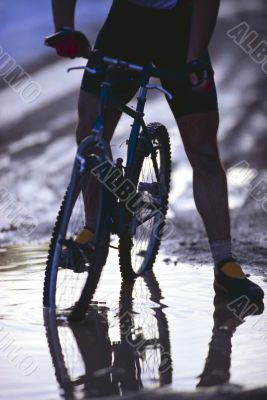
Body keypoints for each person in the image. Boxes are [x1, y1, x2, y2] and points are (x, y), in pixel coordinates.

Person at [48, 0, 264, 300]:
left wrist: (193, 58)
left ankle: (224, 265)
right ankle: (92, 231)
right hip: (126, 24)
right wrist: (64, 28)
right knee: (89, 132)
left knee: (203, 151)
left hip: (181, 29)